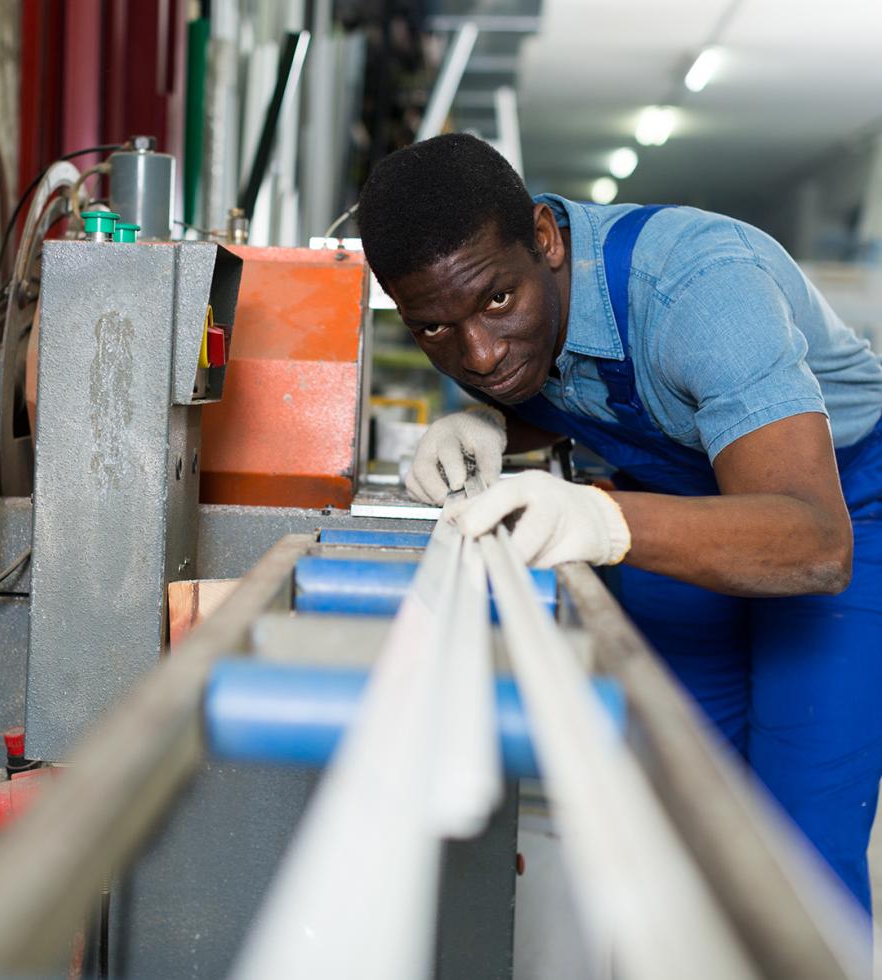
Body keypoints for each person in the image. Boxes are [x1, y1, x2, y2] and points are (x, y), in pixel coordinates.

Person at [356, 133, 882, 911]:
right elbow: (576, 386)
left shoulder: (701, 288)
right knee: (676, 810)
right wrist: (493, 425)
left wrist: (602, 521)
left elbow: (814, 542)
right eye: (431, 327)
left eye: (495, 301)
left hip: (834, 506)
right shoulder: (503, 319)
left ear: (545, 238)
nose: (478, 352)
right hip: (669, 496)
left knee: (794, 853)